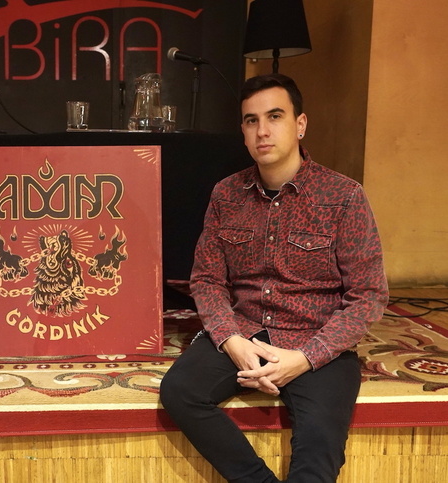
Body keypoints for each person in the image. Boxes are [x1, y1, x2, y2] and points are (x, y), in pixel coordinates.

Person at [160, 73, 389, 483]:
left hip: (317, 340)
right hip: (245, 330)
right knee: (179, 392)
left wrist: (306, 357)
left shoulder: (344, 196)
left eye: (275, 116)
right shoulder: (226, 194)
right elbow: (207, 280)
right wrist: (231, 341)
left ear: (300, 125)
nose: (262, 130)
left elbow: (368, 295)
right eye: (251, 120)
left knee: (319, 447)